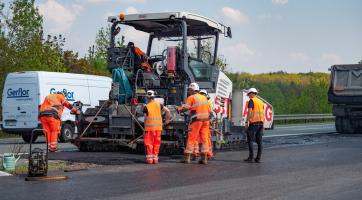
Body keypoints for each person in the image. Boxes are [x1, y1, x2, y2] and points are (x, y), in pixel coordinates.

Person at [178, 83, 211, 164]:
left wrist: (178, 109)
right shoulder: (204, 97)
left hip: (196, 120)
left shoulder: (191, 97)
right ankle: (204, 159)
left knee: (191, 138)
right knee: (204, 139)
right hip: (206, 121)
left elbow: (185, 108)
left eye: (189, 90)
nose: (188, 91)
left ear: (192, 90)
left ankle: (187, 158)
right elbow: (208, 110)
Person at [143, 90, 171, 164]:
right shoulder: (159, 105)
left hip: (149, 129)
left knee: (149, 144)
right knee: (156, 143)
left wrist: (144, 127)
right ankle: (155, 159)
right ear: (153, 97)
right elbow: (168, 111)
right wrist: (167, 121)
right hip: (158, 128)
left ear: (147, 98)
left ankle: (149, 159)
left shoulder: (146, 107)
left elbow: (145, 118)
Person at [244, 88, 265, 163]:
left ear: (252, 93)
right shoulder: (261, 102)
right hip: (261, 123)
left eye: (249, 94)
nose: (248, 96)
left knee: (250, 140)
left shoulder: (251, 101)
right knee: (259, 141)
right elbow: (263, 114)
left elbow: (249, 112)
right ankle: (258, 158)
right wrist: (263, 125)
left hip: (254, 123)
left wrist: (246, 122)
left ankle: (251, 157)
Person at [200, 89, 214, 160]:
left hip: (205, 123)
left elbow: (210, 113)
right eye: (201, 94)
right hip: (203, 122)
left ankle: (208, 154)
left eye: (203, 94)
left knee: (206, 139)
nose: (202, 95)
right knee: (205, 139)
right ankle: (207, 153)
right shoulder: (204, 102)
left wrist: (210, 120)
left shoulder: (208, 102)